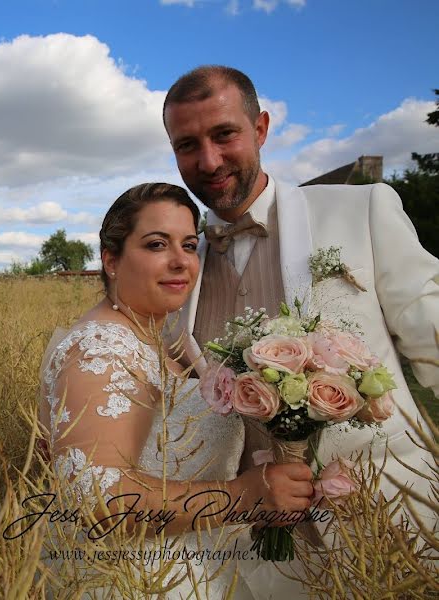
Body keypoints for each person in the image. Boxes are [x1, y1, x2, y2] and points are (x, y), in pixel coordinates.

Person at [162, 65, 439, 597]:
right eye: (187, 145)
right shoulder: (179, 269)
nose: (209, 161)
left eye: (224, 135)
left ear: (261, 129)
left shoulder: (361, 209)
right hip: (249, 552)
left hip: (390, 518)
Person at [38, 183, 315, 598]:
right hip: (139, 580)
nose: (180, 262)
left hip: (199, 565)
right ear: (111, 260)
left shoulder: (163, 340)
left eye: (188, 245)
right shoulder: (100, 349)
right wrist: (241, 496)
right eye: (155, 244)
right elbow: (98, 500)